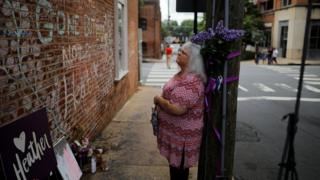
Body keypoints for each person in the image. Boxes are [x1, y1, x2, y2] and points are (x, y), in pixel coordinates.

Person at [153, 41, 206, 180]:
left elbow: (177, 109)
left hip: (183, 138)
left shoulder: (192, 81)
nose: (178, 53)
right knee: (175, 171)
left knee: (179, 174)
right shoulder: (181, 74)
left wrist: (158, 100)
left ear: (192, 59)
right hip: (174, 135)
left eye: (183, 52)